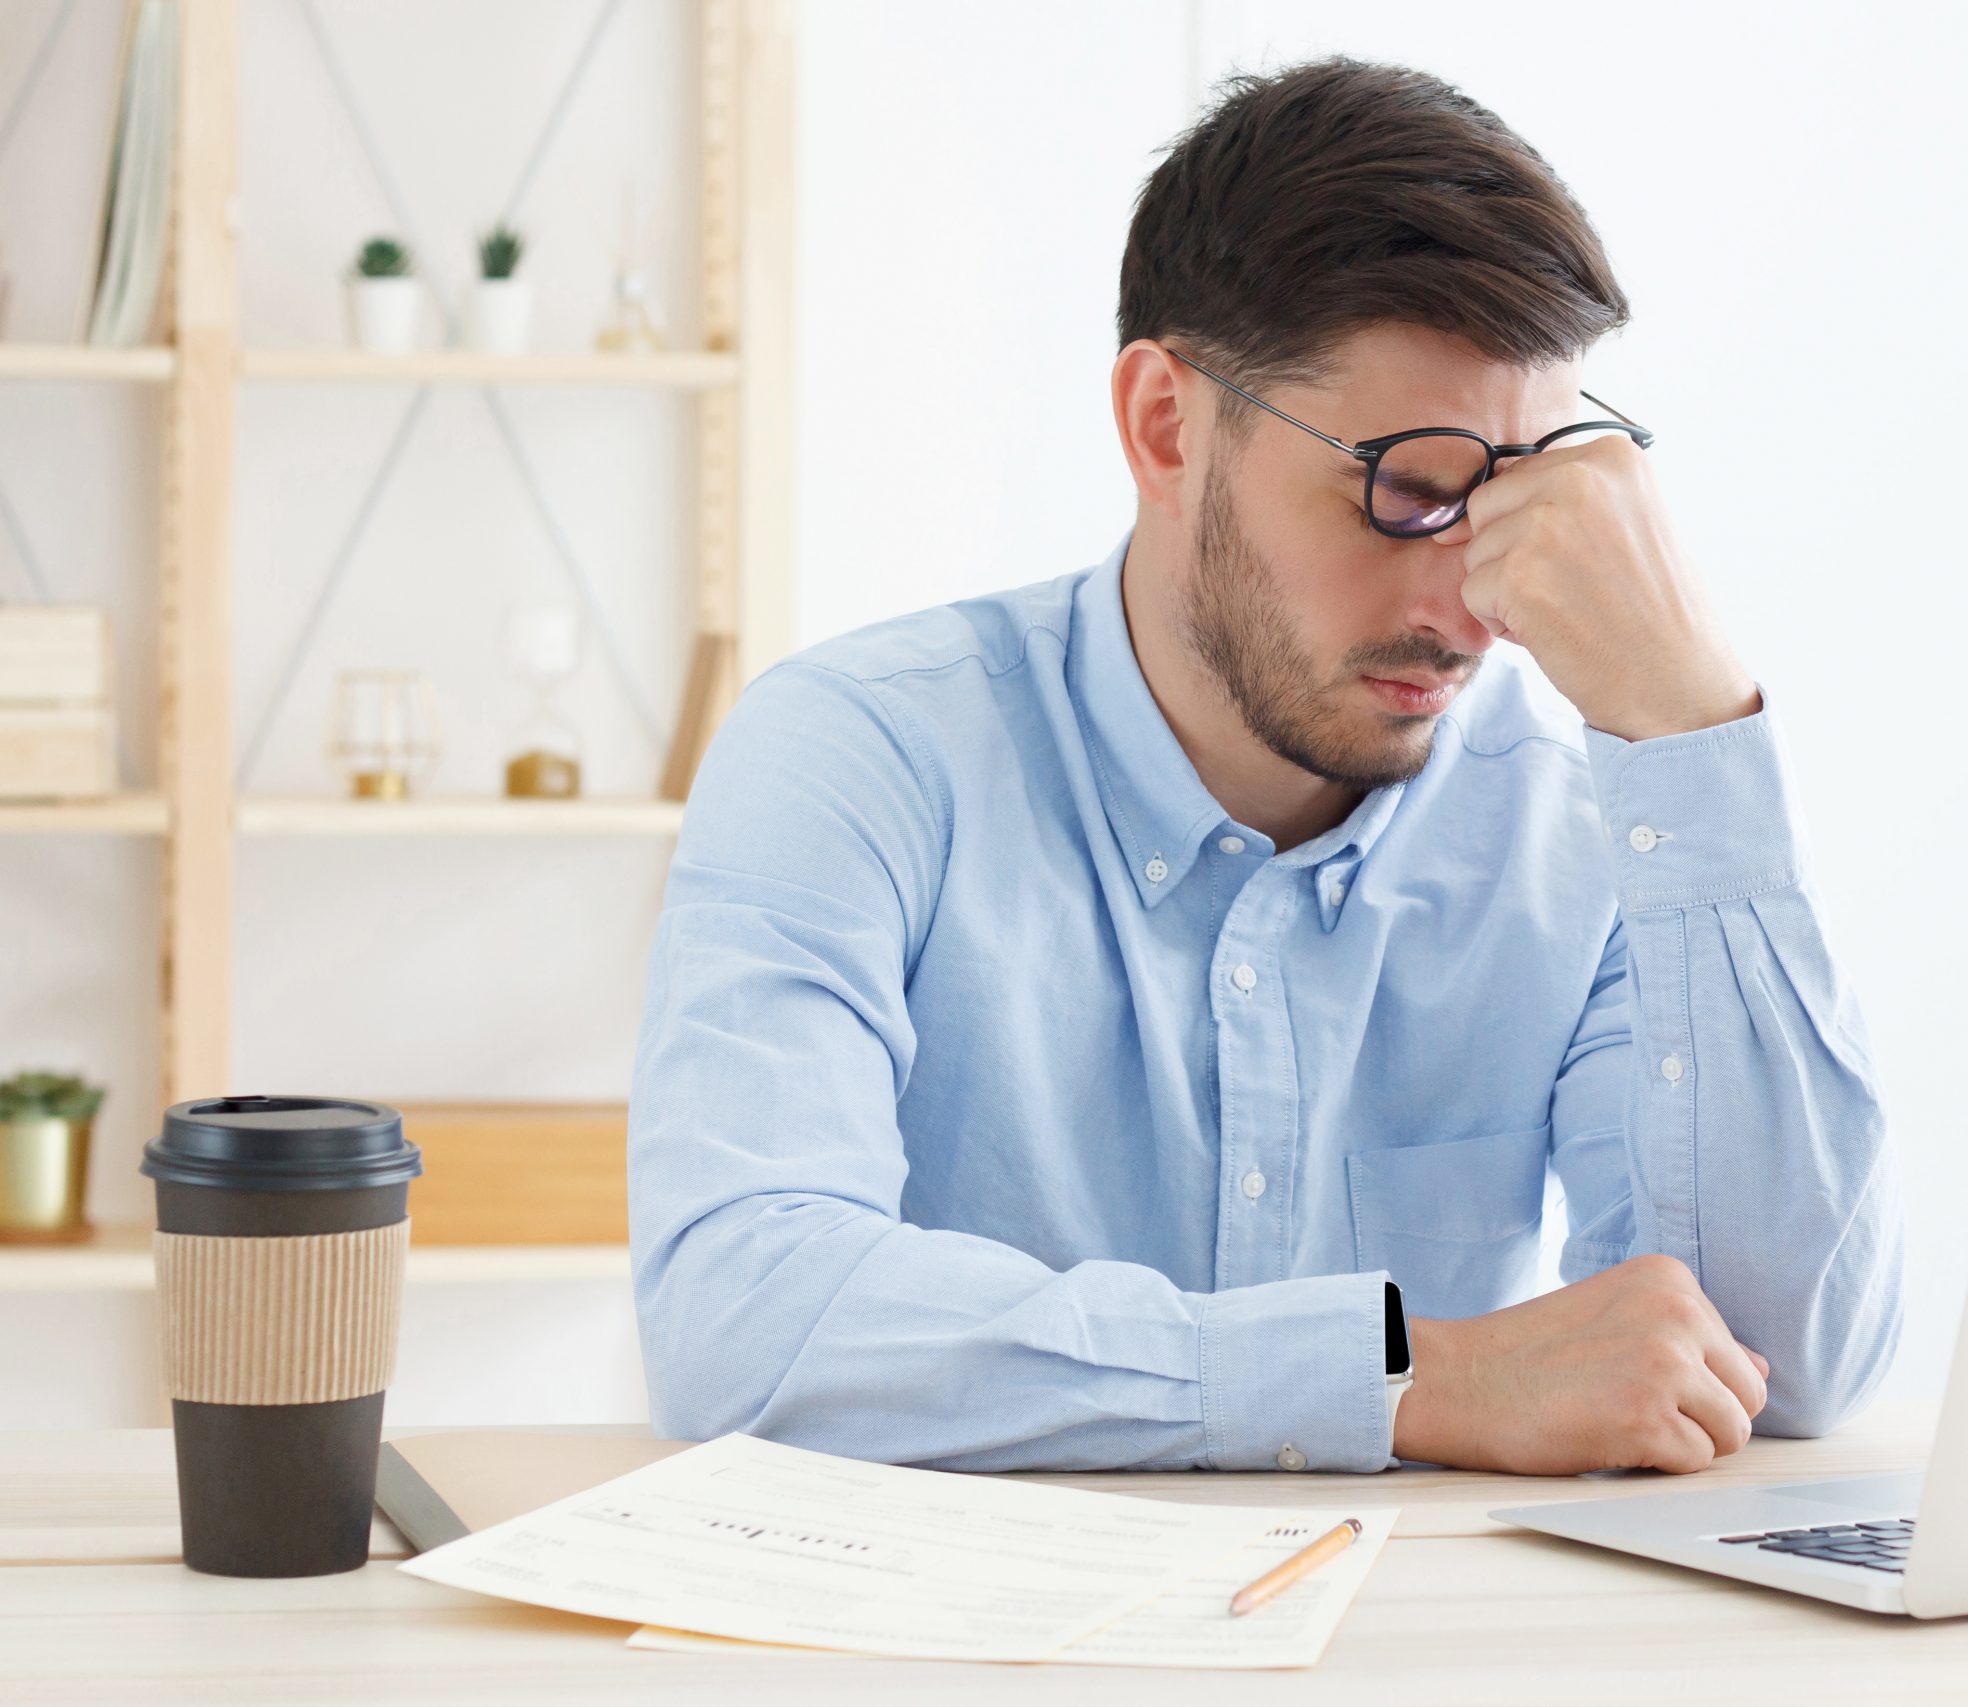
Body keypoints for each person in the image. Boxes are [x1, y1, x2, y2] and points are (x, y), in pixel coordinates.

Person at [628, 55, 1903, 1475]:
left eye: (1527, 508)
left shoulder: (1583, 828)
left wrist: (1690, 728)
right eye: (1408, 492)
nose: (1476, 605)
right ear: (1166, 426)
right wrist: (1405, 1376)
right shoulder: (859, 756)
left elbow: (1779, 1369)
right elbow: (741, 1317)